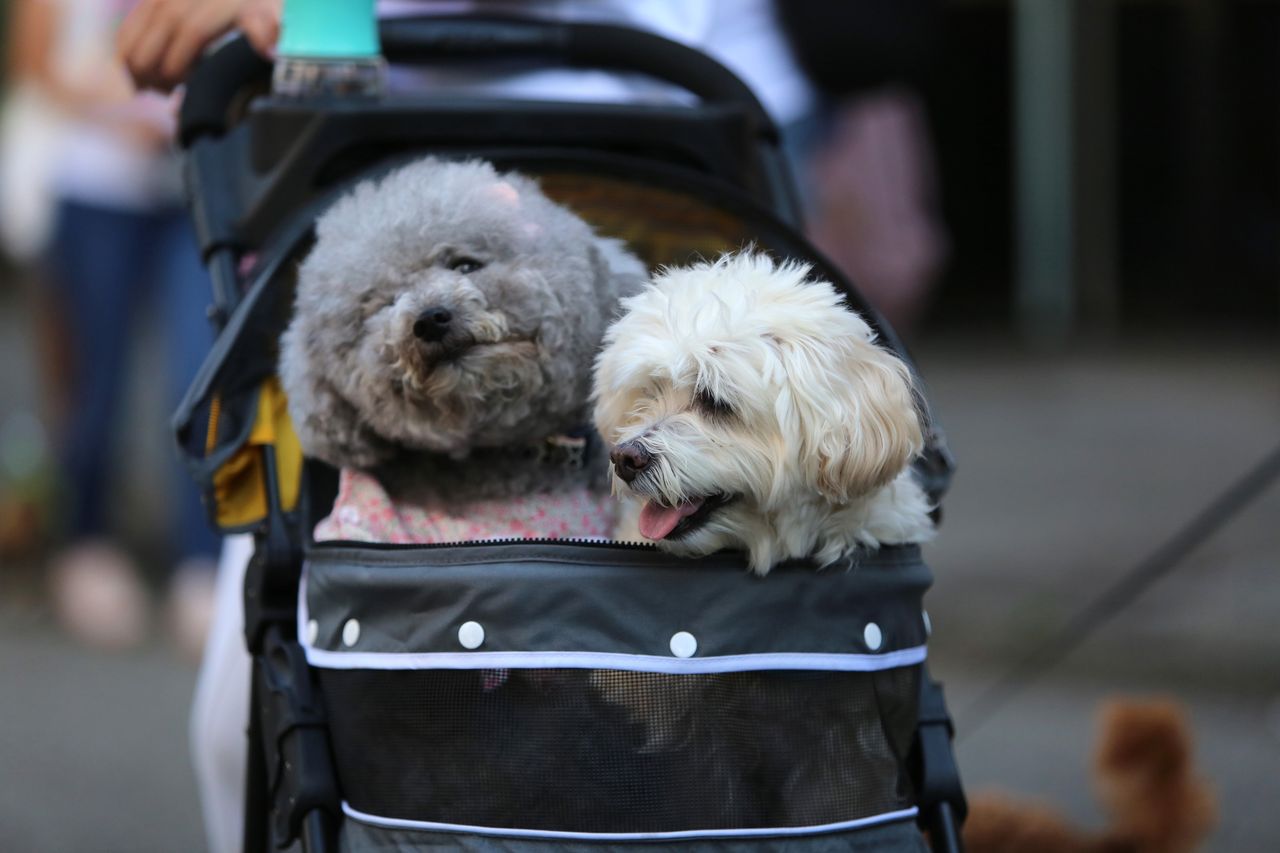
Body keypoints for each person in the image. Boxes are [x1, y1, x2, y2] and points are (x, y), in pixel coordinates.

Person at [118, 4, 819, 849]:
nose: (433, 310)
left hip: (658, 117)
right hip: (336, 131)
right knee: (242, 718)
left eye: (463, 272)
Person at [10, 0, 222, 654]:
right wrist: (126, 110)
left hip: (193, 185)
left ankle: (205, 558)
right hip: (95, 184)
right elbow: (35, 65)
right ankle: (86, 541)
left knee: (203, 368)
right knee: (94, 383)